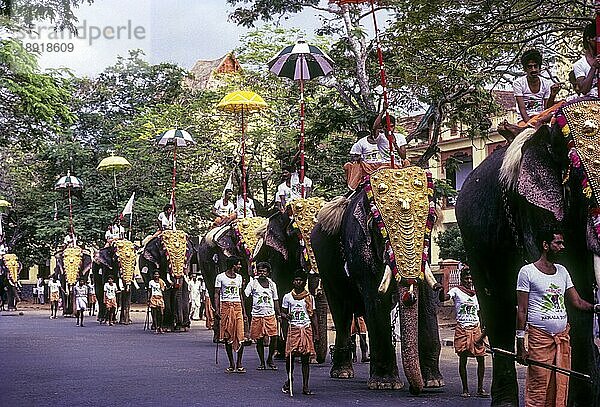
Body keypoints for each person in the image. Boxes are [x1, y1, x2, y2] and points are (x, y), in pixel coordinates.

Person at [516, 229, 600, 407]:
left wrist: (596, 308)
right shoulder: (527, 272)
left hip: (562, 338)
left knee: (560, 384)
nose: (562, 247)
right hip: (539, 340)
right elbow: (522, 310)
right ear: (546, 245)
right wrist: (520, 344)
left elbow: (576, 301)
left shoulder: (562, 271)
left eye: (562, 243)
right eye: (558, 243)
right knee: (539, 386)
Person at [439, 267, 487, 398]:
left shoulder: (477, 293)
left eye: (471, 278)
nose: (469, 280)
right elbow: (444, 298)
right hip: (462, 328)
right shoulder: (456, 291)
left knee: (481, 358)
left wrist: (483, 331)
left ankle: (480, 388)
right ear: (462, 279)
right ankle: (465, 389)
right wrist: (441, 289)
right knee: (463, 358)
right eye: (466, 278)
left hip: (475, 328)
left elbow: (480, 313)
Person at [498, 49, 561, 142]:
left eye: (536, 66)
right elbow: (522, 109)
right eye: (530, 67)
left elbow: (547, 108)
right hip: (525, 120)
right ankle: (519, 130)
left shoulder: (547, 83)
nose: (533, 70)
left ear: (539, 68)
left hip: (542, 118)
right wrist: (530, 125)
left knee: (563, 103)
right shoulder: (518, 83)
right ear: (525, 69)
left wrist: (552, 95)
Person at [344, 113, 409, 190]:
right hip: (384, 167)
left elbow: (403, 156)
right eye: (386, 127)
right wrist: (383, 110)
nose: (390, 129)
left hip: (398, 166)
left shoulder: (400, 137)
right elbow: (375, 128)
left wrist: (394, 143)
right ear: (383, 128)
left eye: (392, 126)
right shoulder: (380, 138)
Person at [281, 271, 319, 396]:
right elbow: (282, 313)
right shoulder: (287, 297)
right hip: (294, 329)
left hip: (306, 328)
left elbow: (313, 316)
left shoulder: (310, 298)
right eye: (295, 280)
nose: (297, 282)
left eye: (300, 280)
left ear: (304, 282)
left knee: (305, 359)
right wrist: (287, 316)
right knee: (289, 357)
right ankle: (289, 378)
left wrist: (316, 333)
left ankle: (305, 386)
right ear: (293, 281)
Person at [244, 262, 280, 371]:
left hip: (270, 314)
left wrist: (278, 313)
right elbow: (245, 295)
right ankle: (262, 362)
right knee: (259, 339)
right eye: (260, 271)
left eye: (264, 271)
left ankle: (270, 359)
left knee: (274, 337)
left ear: (268, 273)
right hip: (257, 315)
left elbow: (275, 299)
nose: (262, 273)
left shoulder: (272, 284)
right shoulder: (253, 283)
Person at [215, 256, 247, 373]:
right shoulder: (220, 277)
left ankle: (239, 363)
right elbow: (217, 294)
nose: (240, 266)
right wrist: (217, 309)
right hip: (225, 307)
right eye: (238, 264)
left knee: (240, 335)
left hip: (237, 306)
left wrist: (244, 312)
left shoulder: (239, 278)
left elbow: (240, 295)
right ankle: (231, 363)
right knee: (227, 335)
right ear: (233, 265)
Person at [574, 22, 600, 98]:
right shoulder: (579, 65)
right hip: (590, 103)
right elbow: (584, 90)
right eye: (596, 39)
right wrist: (594, 67)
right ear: (588, 39)